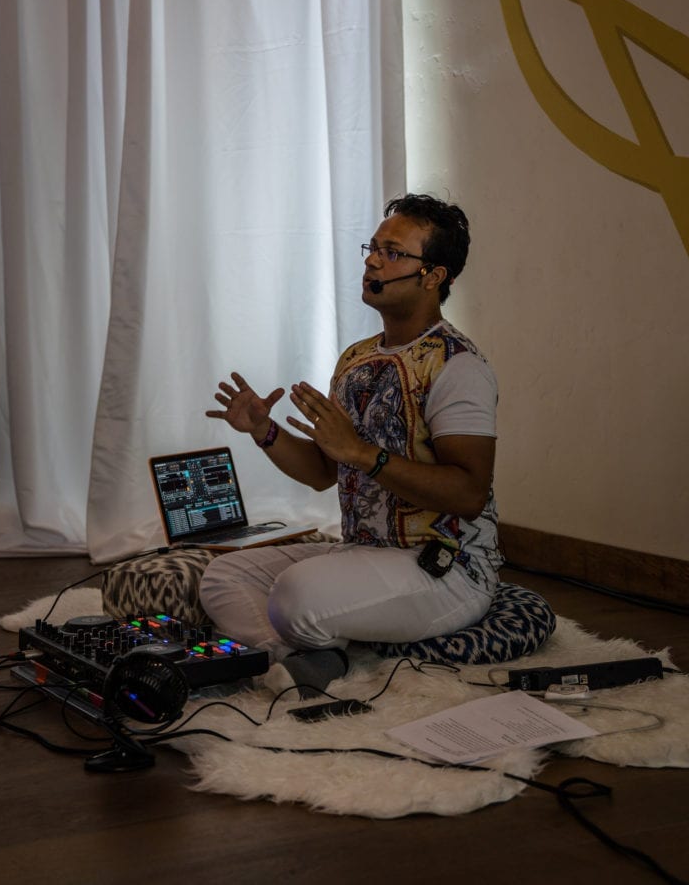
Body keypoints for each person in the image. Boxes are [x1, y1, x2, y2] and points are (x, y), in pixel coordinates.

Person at [199, 193, 500, 697]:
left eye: (392, 251)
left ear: (433, 275)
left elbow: (469, 494)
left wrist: (364, 454)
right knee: (224, 575)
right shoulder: (357, 358)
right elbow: (323, 471)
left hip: (447, 567)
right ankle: (307, 657)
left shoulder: (458, 366)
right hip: (364, 551)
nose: (371, 260)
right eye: (373, 247)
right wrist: (264, 431)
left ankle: (314, 649)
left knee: (294, 596)